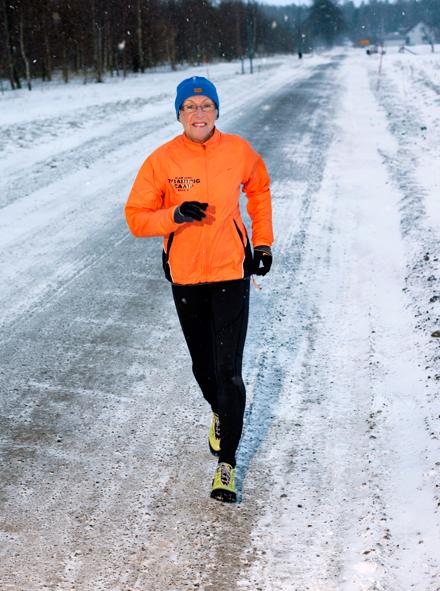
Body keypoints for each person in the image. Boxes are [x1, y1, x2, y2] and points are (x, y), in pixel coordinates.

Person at [125, 76, 273, 503]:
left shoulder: (238, 151)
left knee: (229, 370)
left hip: (231, 271)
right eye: (189, 106)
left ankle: (226, 464)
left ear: (217, 111)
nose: (198, 113)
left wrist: (261, 242)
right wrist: (173, 214)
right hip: (187, 276)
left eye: (206, 105)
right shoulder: (163, 160)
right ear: (178, 114)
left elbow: (259, 190)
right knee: (204, 368)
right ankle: (218, 409)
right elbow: (136, 217)